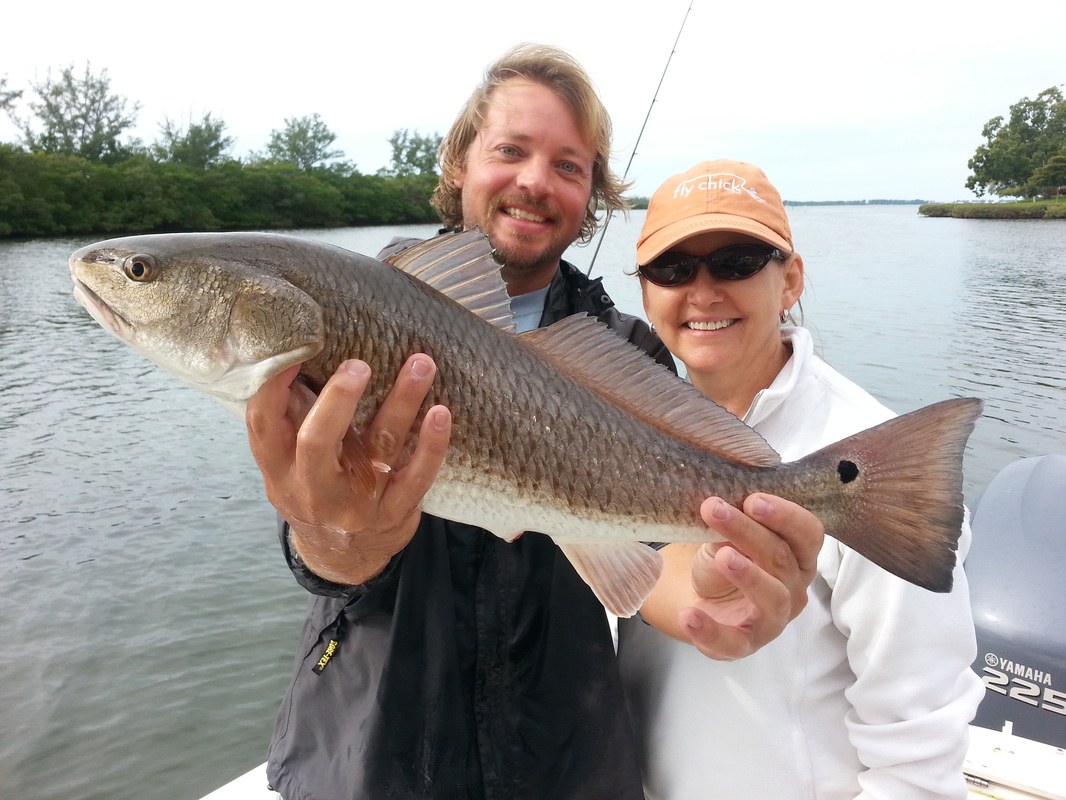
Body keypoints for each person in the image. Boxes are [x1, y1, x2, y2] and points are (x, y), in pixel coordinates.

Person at [245, 47, 824, 800]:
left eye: (569, 165)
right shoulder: (349, 315)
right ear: (460, 163)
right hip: (368, 749)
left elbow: (648, 558)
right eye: (510, 151)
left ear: (592, 196)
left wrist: (720, 592)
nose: (533, 182)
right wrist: (330, 538)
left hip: (564, 759)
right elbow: (316, 543)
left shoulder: (629, 351)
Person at [617, 159, 985, 800]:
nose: (702, 291)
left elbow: (920, 745)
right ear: (646, 292)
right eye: (673, 269)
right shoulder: (626, 432)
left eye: (734, 261)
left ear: (791, 280)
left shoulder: (872, 465)